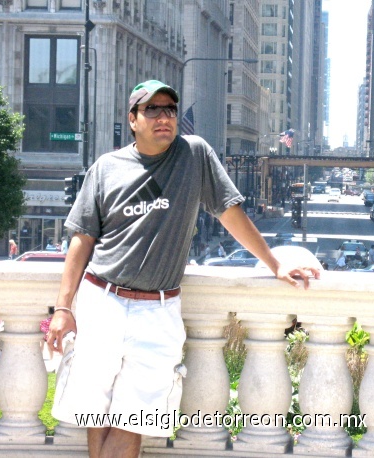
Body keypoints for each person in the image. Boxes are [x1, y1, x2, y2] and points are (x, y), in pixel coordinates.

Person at [46, 80, 320, 458]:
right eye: (152, 110)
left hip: (158, 310)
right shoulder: (105, 169)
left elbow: (229, 213)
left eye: (170, 110)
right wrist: (63, 308)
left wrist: (273, 264)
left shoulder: (194, 155)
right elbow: (81, 241)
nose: (164, 117)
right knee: (98, 411)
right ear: (133, 119)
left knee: (136, 418)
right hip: (101, 300)